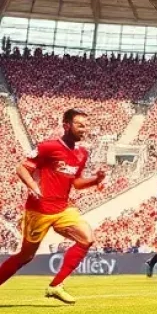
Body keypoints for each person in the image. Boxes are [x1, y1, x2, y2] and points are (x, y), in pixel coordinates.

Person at [0, 108, 106, 304]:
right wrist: (33, 186)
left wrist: (95, 180)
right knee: (25, 256)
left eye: (86, 125)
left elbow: (76, 183)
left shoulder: (82, 153)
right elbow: (21, 168)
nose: (85, 129)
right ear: (66, 125)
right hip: (39, 210)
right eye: (80, 125)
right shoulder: (48, 147)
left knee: (87, 238)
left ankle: (55, 285)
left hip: (63, 208)